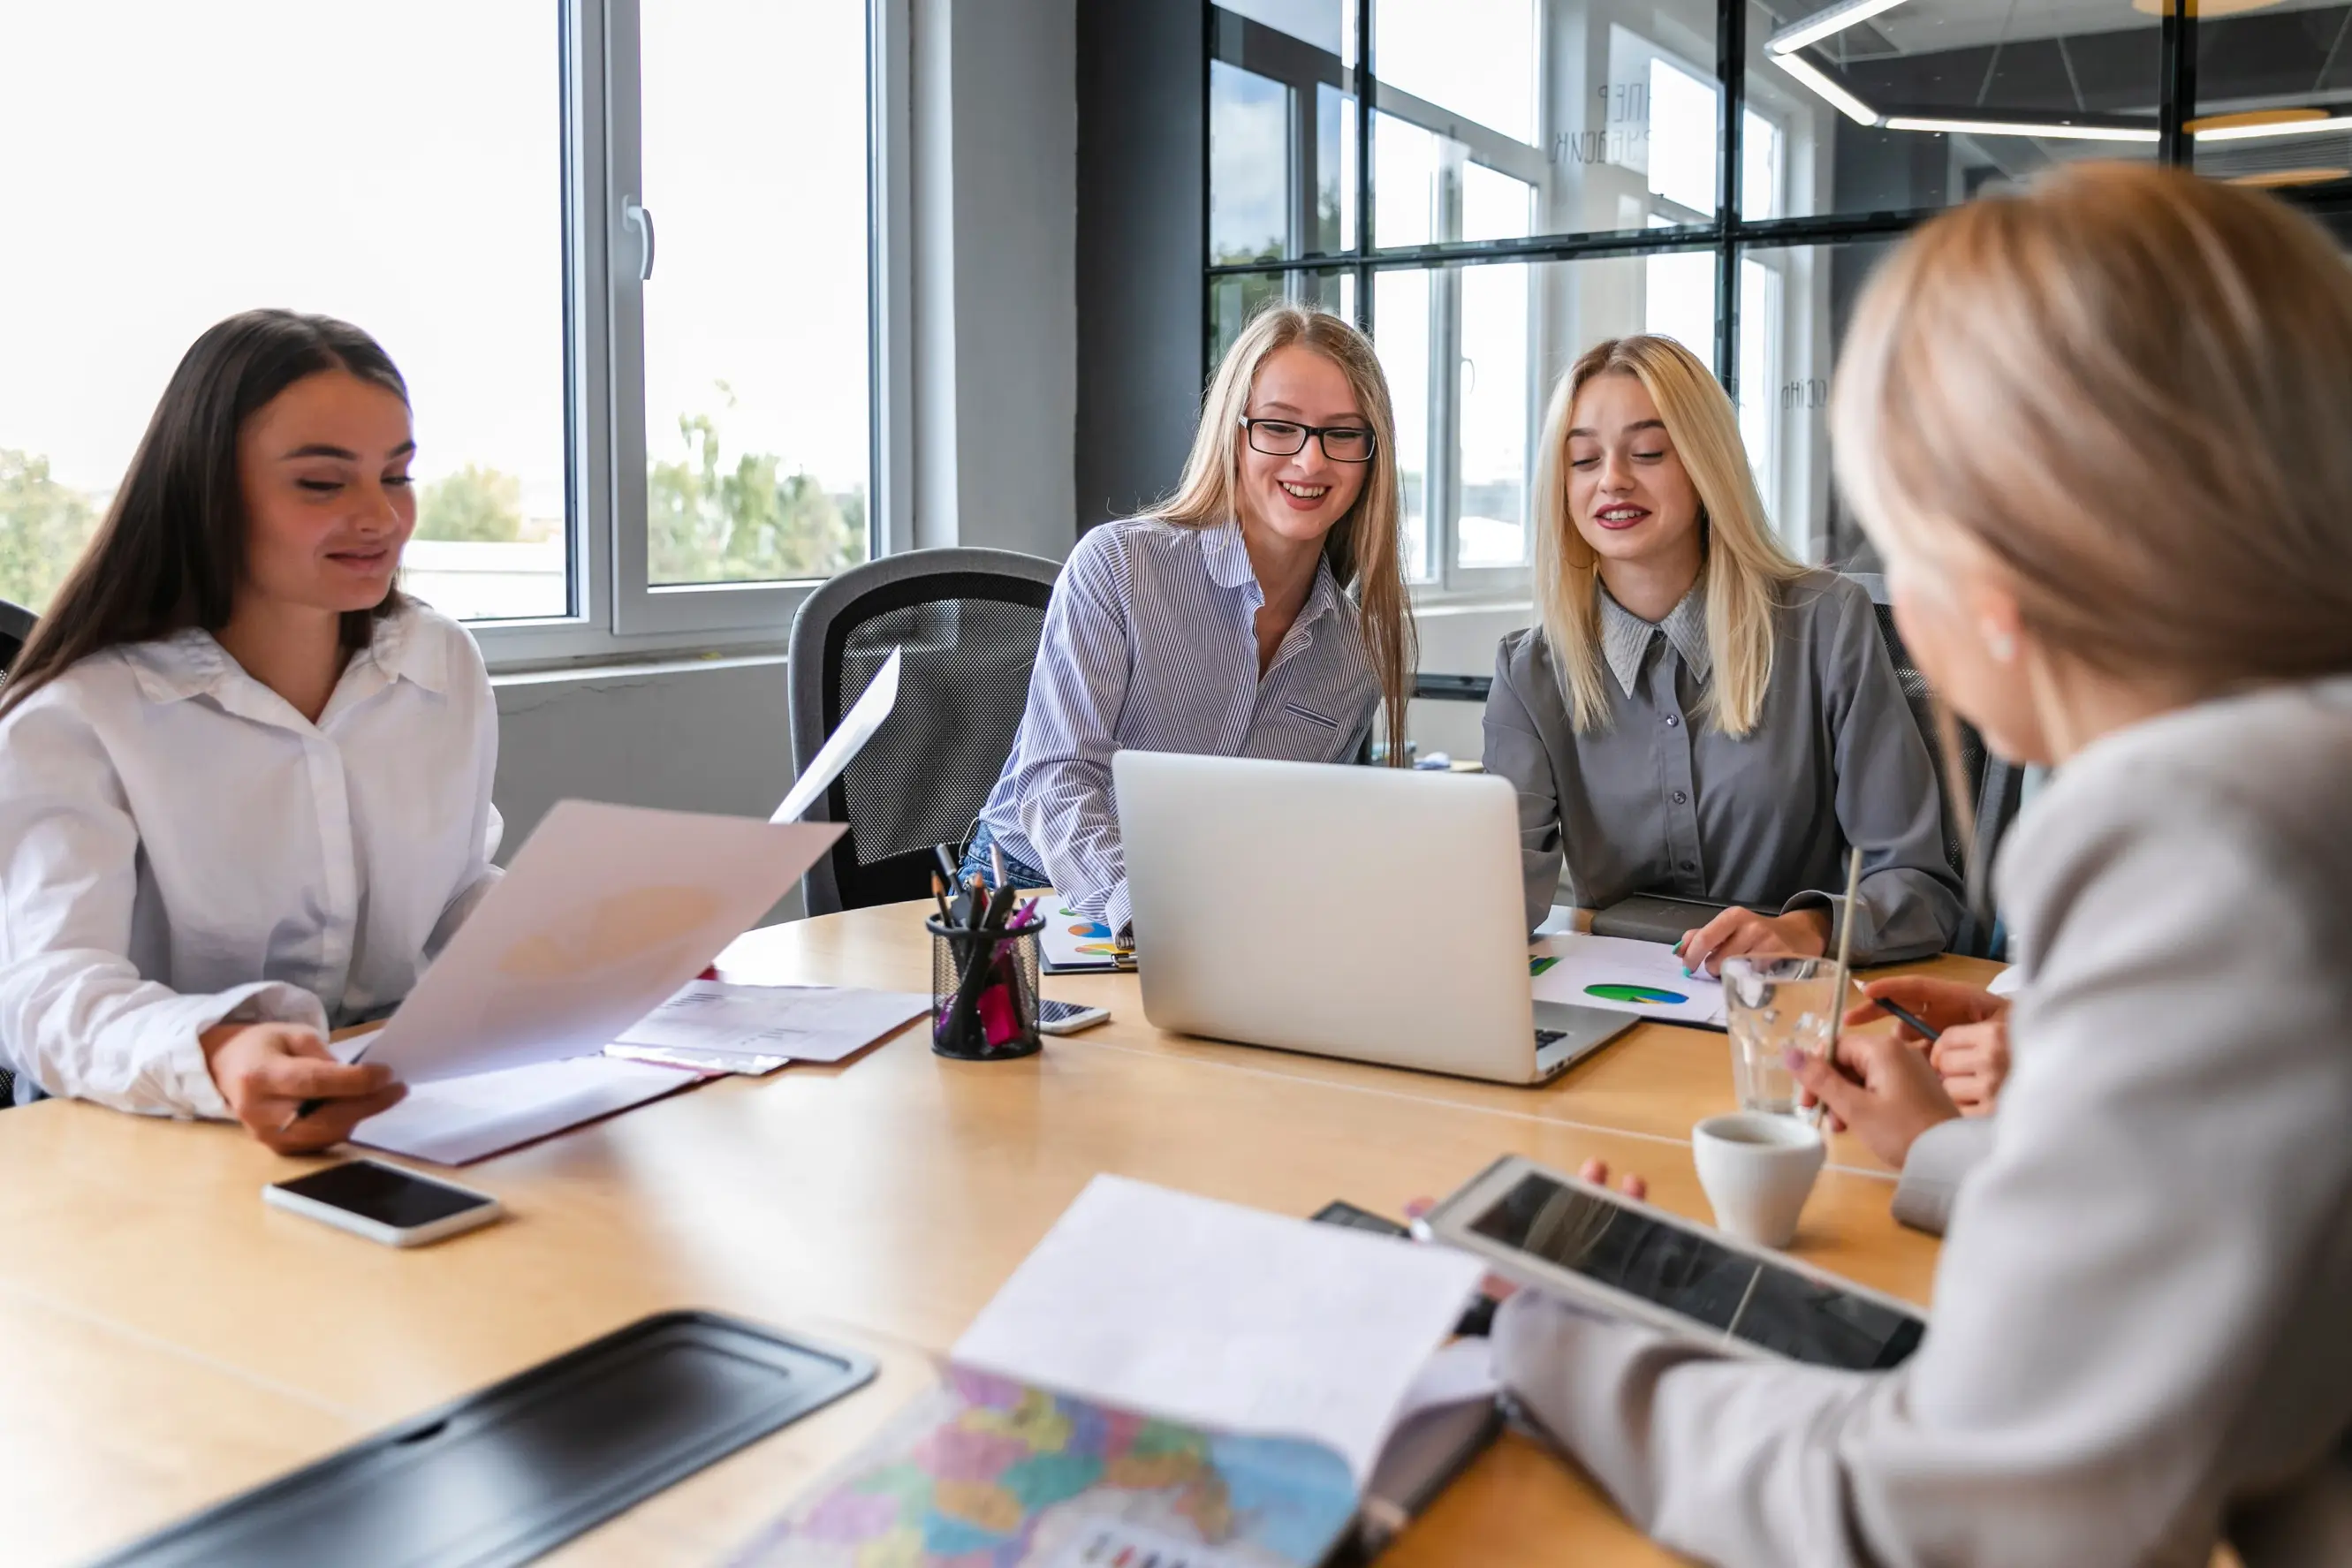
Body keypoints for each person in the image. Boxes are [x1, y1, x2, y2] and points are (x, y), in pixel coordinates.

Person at [1495, 163, 2352, 1565]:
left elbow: (1968, 1510)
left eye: (1902, 518)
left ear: (2015, 538)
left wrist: (1566, 1341)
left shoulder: (2205, 839)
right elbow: (2224, 1265)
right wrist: (1958, 1146)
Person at [0, 310, 501, 1154]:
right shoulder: (82, 715)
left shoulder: (439, 662)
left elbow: (452, 894)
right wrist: (218, 1052)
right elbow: (47, 993)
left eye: (398, 475)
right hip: (146, 1148)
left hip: (388, 1117)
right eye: (322, 483)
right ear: (208, 493)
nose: (381, 516)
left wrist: (599, 947)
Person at [1481, 334, 1961, 969]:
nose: (1613, 480)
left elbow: (1919, 886)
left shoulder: (1823, 625)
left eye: (1648, 451)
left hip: (1788, 1005)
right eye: (1583, 460)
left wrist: (1808, 928)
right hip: (1619, 1003)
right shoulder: (1530, 672)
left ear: (1706, 465)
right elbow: (1494, 903)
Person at [964, 303, 1415, 935]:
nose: (1311, 462)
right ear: (1233, 434)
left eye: (1342, 434)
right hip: (1041, 894)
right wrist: (1149, 916)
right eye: (1279, 427)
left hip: (1208, 917)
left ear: (1371, 458)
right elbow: (1057, 779)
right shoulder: (1120, 566)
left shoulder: (1356, 653)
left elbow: (1294, 834)